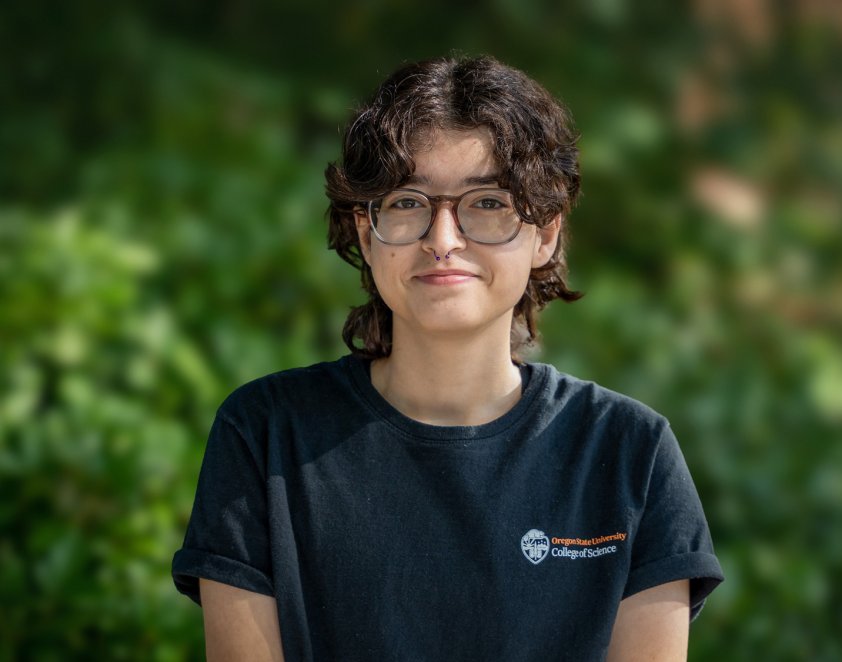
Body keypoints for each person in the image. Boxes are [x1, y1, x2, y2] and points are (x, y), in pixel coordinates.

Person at [172, 55, 723, 661]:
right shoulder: (262, 434)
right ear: (364, 230)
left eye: (488, 202)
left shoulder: (629, 453)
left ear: (547, 233)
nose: (443, 240)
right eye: (407, 201)